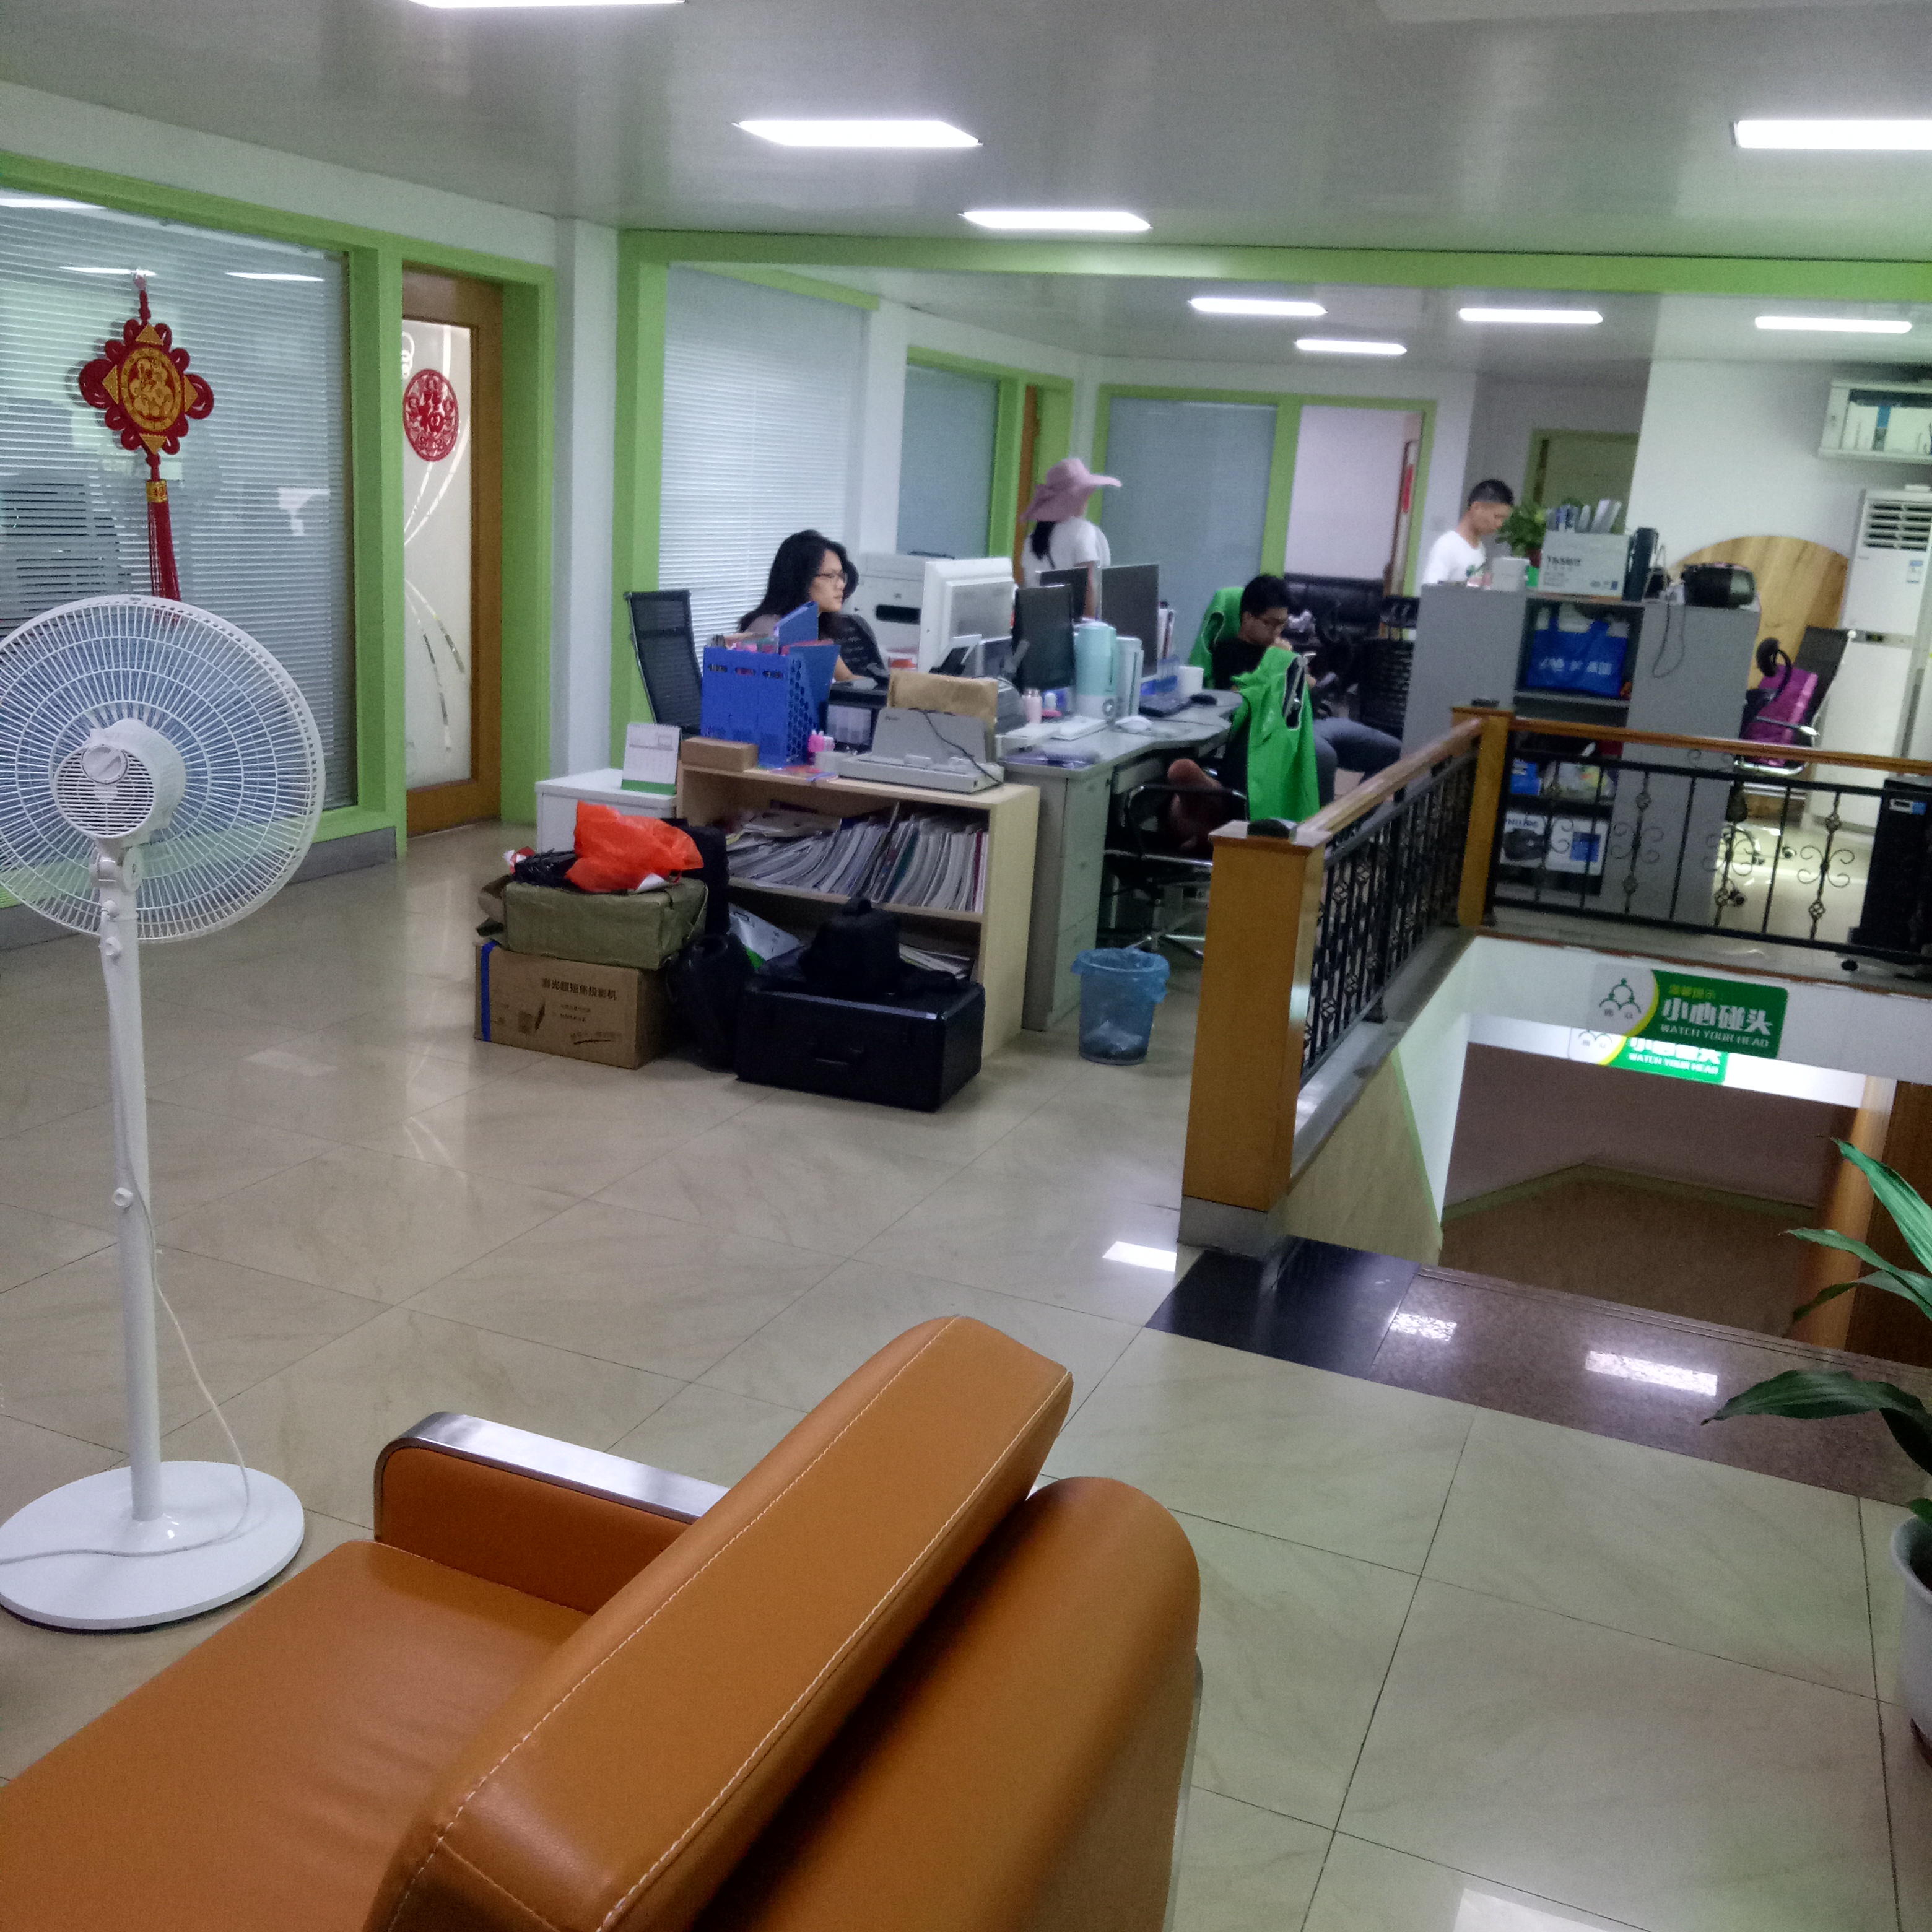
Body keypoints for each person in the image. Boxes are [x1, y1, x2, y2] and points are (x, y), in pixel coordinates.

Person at [738, 529, 886, 682]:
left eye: (841, 576)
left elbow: (847, 679)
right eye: (830, 576)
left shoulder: (814, 628)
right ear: (801, 579)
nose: (841, 585)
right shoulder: (768, 629)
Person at [1019, 457, 1120, 605]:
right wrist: (1090, 620)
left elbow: (1026, 586)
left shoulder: (1031, 540)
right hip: (1072, 617)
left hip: (1036, 616)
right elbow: (1086, 587)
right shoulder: (1083, 531)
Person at [1420, 479, 1515, 587]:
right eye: (1497, 517)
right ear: (1477, 508)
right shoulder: (1447, 545)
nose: (1500, 524)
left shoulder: (1480, 548)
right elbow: (1431, 590)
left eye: (1503, 519)